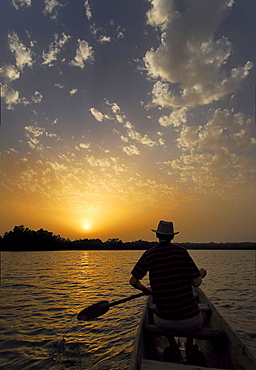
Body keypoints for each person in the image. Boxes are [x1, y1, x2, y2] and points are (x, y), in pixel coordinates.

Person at [130, 220, 207, 363]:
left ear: (157, 236)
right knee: (194, 311)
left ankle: (172, 344)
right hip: (190, 321)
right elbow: (196, 282)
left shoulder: (149, 254)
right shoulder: (181, 252)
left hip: (164, 321)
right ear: (172, 237)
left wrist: (145, 290)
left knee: (161, 313)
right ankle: (190, 344)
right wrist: (201, 273)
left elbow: (133, 281)